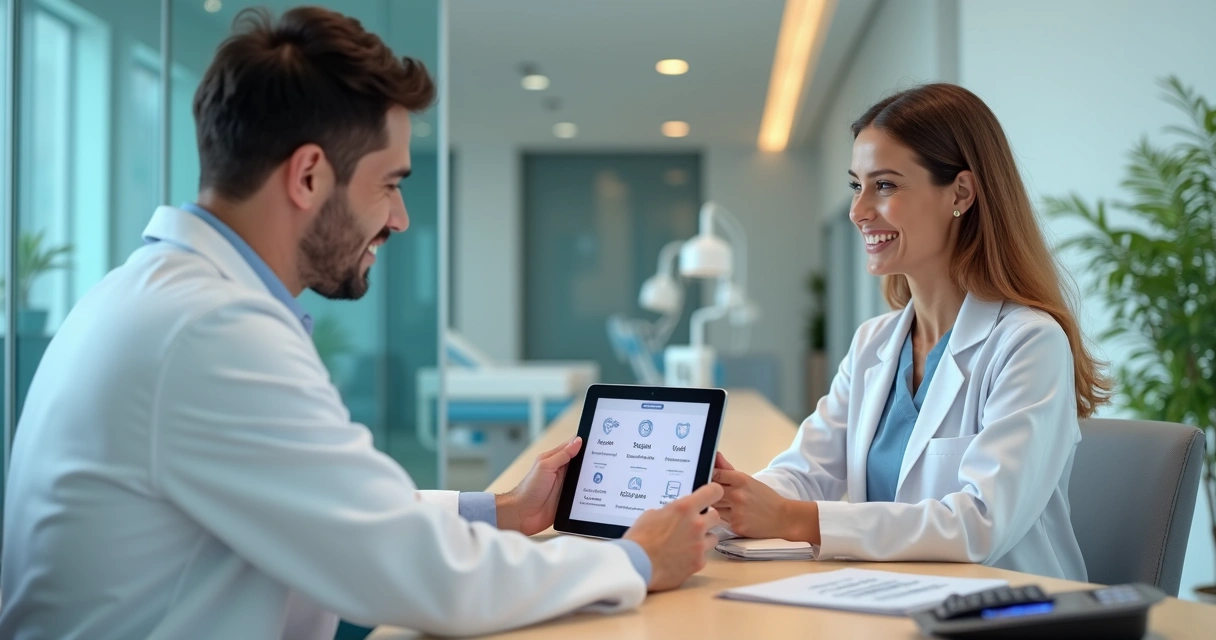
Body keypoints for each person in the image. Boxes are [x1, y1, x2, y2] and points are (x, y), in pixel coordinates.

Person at [0, 7, 722, 639]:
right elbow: (419, 578)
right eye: (390, 185)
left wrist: (501, 509)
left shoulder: (155, 296)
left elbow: (331, 504)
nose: (401, 219)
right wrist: (632, 558)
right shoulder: (210, 330)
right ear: (309, 176)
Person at [712, 83, 1110, 581]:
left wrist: (793, 518)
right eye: (857, 185)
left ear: (961, 193)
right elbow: (806, 471)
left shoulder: (1029, 342)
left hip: (1005, 612)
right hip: (888, 598)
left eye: (886, 185)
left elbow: (979, 525)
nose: (858, 211)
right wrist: (726, 501)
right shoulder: (874, 344)